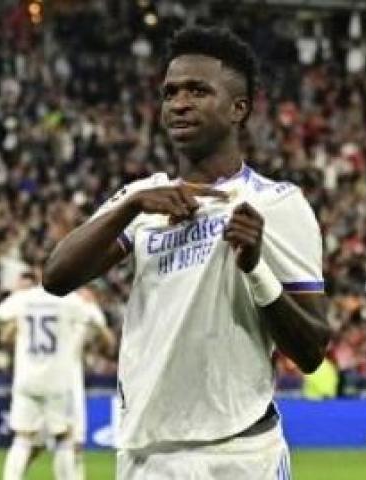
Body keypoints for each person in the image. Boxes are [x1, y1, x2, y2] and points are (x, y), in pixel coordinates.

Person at [43, 26, 331, 480]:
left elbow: (312, 349)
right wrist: (130, 207)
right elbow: (56, 277)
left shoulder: (278, 204)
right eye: (170, 92)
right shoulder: (143, 199)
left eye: (198, 91)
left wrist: (256, 269)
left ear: (239, 108)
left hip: (240, 455)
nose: (179, 103)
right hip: (147, 457)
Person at [0, 272, 112, 480]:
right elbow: (98, 322)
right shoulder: (71, 301)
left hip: (26, 377)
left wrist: (14, 328)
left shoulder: (24, 298)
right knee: (65, 437)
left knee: (22, 437)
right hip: (58, 379)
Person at [26, 285, 116, 480]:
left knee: (71, 442)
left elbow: (108, 344)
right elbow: (109, 344)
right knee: (38, 442)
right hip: (57, 381)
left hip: (61, 381)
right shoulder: (72, 306)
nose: (83, 296)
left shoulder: (81, 311)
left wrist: (98, 325)